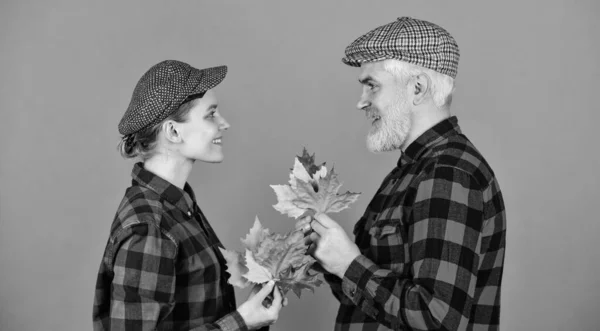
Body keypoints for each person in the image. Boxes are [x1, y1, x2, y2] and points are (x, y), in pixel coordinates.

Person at [298, 17, 506, 330]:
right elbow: (376, 299)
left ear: (418, 88)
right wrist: (330, 260)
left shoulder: (447, 174)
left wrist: (348, 263)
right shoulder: (411, 171)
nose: (361, 102)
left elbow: (438, 319)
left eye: (372, 86)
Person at [93, 60, 285, 331]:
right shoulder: (150, 226)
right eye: (211, 115)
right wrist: (241, 323)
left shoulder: (177, 206)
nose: (225, 123)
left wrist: (250, 317)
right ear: (173, 131)